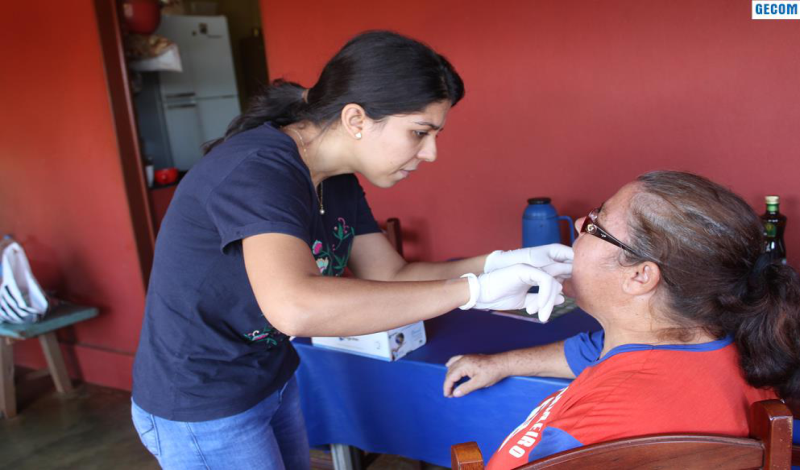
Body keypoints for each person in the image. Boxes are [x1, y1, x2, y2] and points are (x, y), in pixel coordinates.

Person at [130, 31, 574, 469]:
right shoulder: (260, 170)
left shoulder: (337, 179)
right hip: (200, 396)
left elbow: (390, 275)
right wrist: (472, 290)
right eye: (419, 132)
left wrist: (500, 262)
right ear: (356, 119)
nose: (431, 152)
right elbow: (295, 307)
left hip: (269, 375)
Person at [443, 171, 800, 469]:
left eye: (597, 222)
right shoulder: (735, 344)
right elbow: (597, 352)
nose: (581, 222)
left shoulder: (586, 433)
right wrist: (499, 363)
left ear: (640, 276)